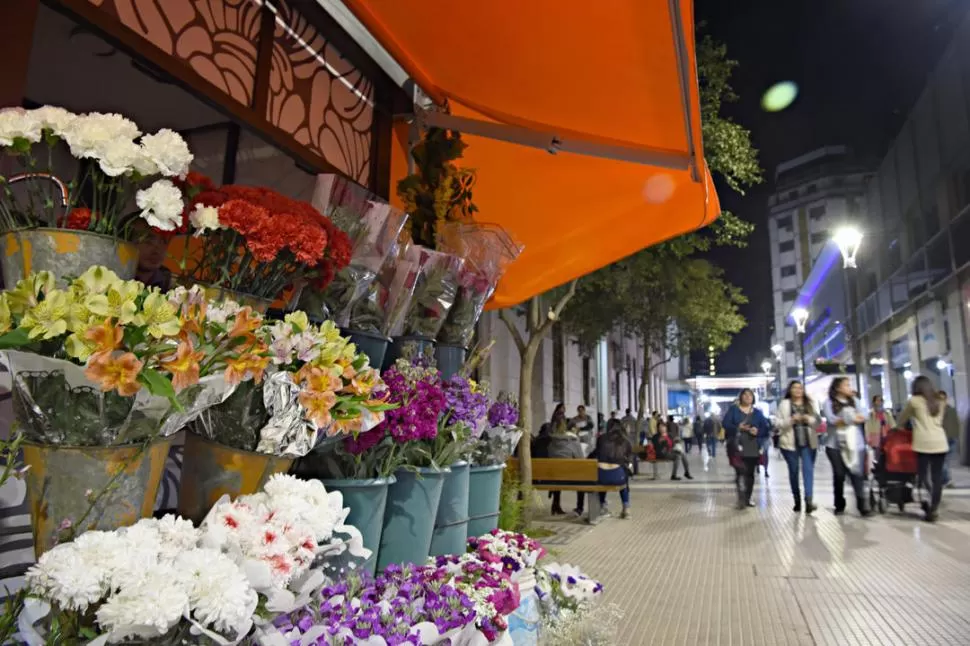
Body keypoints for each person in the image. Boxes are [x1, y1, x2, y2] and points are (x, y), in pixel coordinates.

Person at [896, 377, 948, 522]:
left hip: (923, 443)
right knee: (937, 478)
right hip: (940, 441)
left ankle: (931, 498)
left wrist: (899, 427)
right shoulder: (941, 400)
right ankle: (934, 507)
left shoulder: (914, 401)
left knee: (923, 475)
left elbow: (902, 420)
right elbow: (940, 420)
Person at [822, 377, 870, 517]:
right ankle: (839, 503)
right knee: (839, 474)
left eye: (849, 385)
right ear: (838, 388)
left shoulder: (855, 401)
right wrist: (851, 419)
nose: (849, 387)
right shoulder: (829, 402)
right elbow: (831, 420)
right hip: (834, 445)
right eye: (846, 385)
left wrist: (847, 419)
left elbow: (865, 415)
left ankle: (862, 504)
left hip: (856, 444)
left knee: (857, 473)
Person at [576, 419, 634, 519]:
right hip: (617, 476)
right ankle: (626, 507)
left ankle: (602, 504)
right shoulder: (625, 441)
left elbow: (595, 454)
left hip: (601, 475)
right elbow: (629, 461)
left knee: (602, 478)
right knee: (624, 478)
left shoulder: (601, 438)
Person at [722, 389, 770, 509]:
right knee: (740, 471)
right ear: (741, 397)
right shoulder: (734, 410)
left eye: (750, 395)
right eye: (745, 395)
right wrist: (738, 427)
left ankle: (747, 497)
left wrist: (757, 431)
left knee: (750, 473)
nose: (748, 397)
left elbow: (766, 428)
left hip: (752, 445)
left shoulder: (758, 413)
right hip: (737, 445)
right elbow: (725, 424)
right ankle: (741, 498)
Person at [777, 381, 819, 514]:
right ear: (790, 390)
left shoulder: (810, 403)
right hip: (790, 443)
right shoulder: (784, 404)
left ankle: (809, 500)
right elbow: (777, 423)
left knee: (808, 470)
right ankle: (797, 500)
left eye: (800, 388)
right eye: (794, 388)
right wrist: (791, 420)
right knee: (794, 472)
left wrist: (809, 419)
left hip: (808, 442)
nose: (798, 390)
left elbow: (818, 421)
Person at [544, 404, 583, 515]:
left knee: (557, 473)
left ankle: (555, 505)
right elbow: (580, 459)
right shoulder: (573, 441)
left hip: (554, 477)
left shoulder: (550, 444)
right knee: (583, 477)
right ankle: (579, 508)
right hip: (570, 478)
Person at [938, 391, 959, 488]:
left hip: (950, 438)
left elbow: (956, 424)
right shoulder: (938, 411)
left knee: (945, 461)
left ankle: (946, 480)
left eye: (942, 399)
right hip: (943, 438)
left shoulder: (950, 410)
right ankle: (946, 480)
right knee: (944, 461)